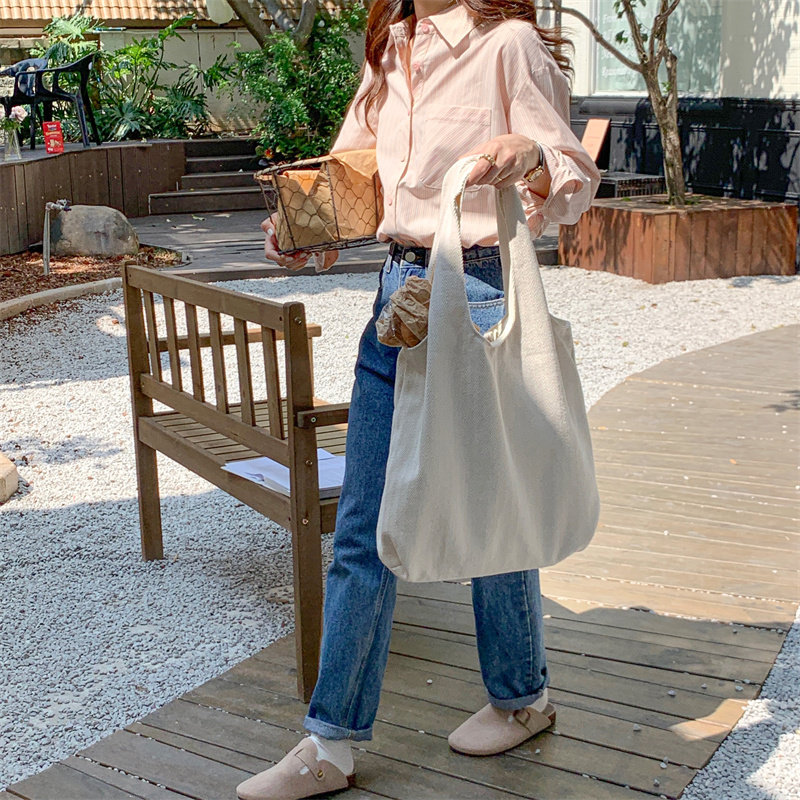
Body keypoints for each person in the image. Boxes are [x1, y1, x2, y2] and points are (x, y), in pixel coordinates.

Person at [238, 1, 600, 798]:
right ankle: (330, 744)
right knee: (364, 526)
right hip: (395, 295)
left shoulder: (507, 47)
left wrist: (531, 156)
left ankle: (522, 698)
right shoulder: (389, 47)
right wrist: (302, 230)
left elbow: (575, 177)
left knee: (490, 514)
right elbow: (354, 181)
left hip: (476, 291)